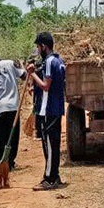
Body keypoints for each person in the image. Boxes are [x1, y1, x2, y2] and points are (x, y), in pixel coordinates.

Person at [27, 32, 66, 191]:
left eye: (38, 46)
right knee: (53, 144)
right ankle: (54, 175)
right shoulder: (58, 60)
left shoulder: (50, 62)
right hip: (55, 108)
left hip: (49, 109)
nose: (38, 49)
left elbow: (45, 86)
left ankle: (49, 179)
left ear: (44, 46)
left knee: (49, 145)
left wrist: (32, 74)